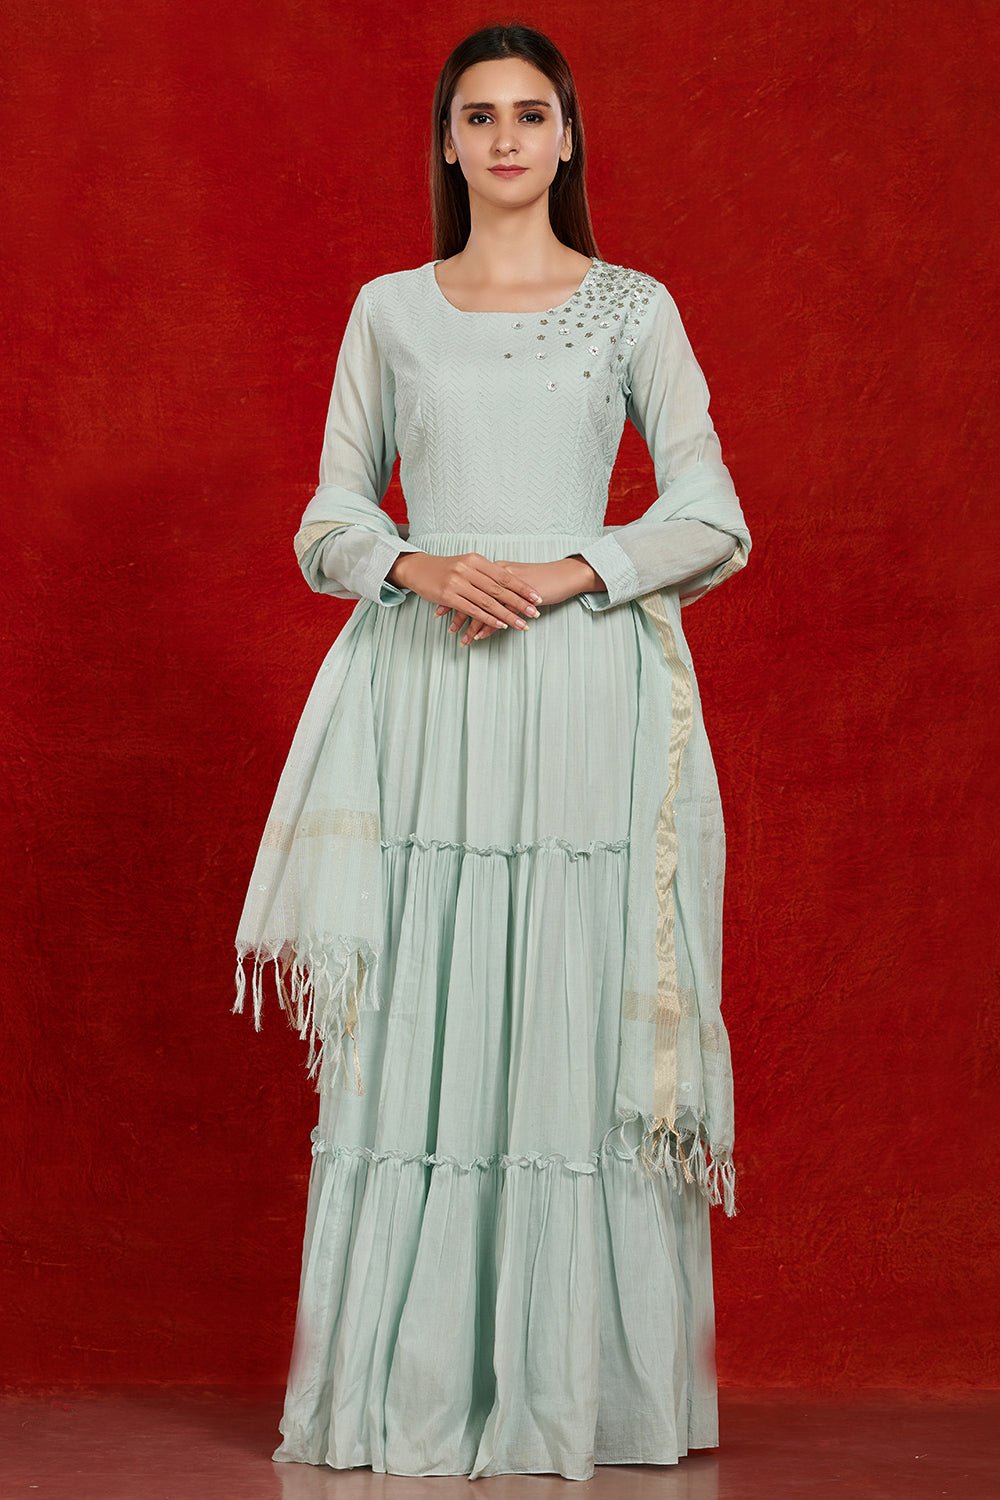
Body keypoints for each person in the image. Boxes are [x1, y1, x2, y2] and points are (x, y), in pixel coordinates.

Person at [232, 21, 752, 1483]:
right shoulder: (389, 310)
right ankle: (406, 1391)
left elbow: (712, 513)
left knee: (567, 993)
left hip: (581, 690)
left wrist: (576, 571)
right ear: (448, 144)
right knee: (428, 997)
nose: (508, 137)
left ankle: (582, 1397)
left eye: (532, 113)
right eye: (481, 116)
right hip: (426, 691)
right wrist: (416, 565)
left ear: (568, 137)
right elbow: (330, 516)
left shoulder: (634, 308)